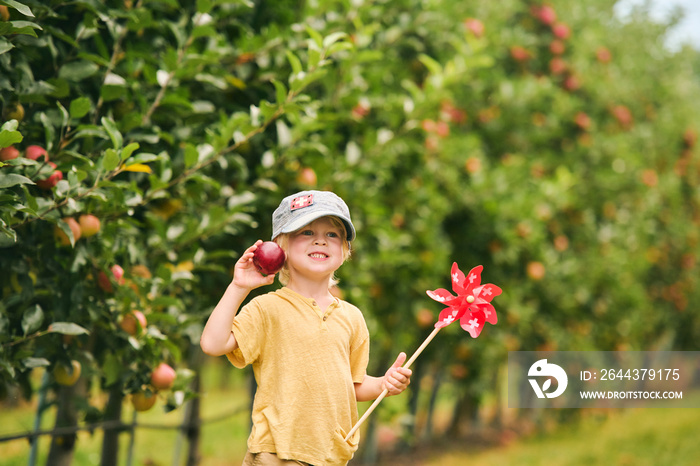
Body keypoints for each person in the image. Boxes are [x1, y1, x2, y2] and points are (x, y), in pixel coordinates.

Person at [200, 190, 412, 466]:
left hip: (328, 456)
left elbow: (352, 385)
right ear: (280, 248)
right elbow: (213, 344)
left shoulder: (352, 317)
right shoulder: (268, 309)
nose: (321, 240)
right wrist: (239, 287)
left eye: (333, 234)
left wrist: (384, 383)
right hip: (274, 454)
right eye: (307, 232)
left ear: (345, 250)